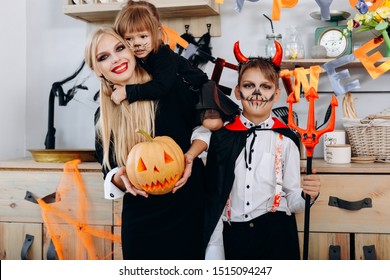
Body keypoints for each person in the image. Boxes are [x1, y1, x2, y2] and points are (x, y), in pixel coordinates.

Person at [85, 25, 210, 260]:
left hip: (189, 208)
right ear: (97, 70)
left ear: (132, 50)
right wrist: (120, 178)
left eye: (120, 48)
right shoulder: (104, 117)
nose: (116, 59)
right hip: (141, 220)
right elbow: (108, 170)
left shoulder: (169, 87)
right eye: (103, 57)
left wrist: (191, 156)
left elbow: (204, 127)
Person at [203, 53, 321, 260]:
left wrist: (307, 195)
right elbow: (212, 197)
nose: (257, 93)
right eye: (249, 86)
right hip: (233, 236)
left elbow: (293, 200)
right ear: (238, 92)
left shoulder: (287, 140)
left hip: (276, 235)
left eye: (265, 87)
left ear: (276, 94)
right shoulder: (221, 138)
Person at [111, 0, 239, 131]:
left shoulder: (163, 54)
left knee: (208, 126)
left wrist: (127, 91)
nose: (137, 43)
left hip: (199, 93)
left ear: (158, 34)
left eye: (143, 36)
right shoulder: (139, 57)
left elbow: (161, 86)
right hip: (177, 99)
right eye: (129, 39)